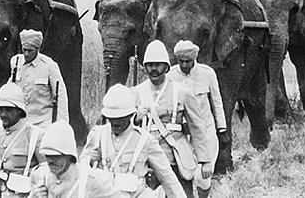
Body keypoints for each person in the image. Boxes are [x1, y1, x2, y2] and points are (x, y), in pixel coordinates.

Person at [132, 41, 213, 198]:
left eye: (158, 65)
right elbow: (122, 128)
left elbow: (197, 128)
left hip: (175, 157)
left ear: (166, 67)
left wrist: (205, 161)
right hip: (146, 159)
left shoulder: (183, 92)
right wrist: (136, 118)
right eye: (150, 65)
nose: (153, 69)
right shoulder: (135, 93)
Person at [81, 84, 185, 198]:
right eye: (111, 118)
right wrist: (89, 160)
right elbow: (80, 171)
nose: (115, 122)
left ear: (131, 115)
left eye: (120, 117)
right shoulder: (98, 135)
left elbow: (166, 176)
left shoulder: (145, 140)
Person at [167, 41, 226, 198]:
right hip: (182, 135)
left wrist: (222, 128)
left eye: (188, 61)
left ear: (195, 58)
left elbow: (217, 101)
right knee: (184, 174)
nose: (185, 65)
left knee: (203, 177)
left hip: (206, 132)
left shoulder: (207, 74)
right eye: (181, 61)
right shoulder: (170, 76)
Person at [30, 120, 120, 198]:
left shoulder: (92, 180)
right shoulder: (39, 175)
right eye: (47, 155)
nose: (50, 161)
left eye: (56, 156)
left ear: (69, 156)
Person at [0, 82, 45, 198]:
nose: (3, 114)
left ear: (19, 110)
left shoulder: (35, 135)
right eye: (0, 109)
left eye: (8, 110)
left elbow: (46, 170)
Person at [10, 29, 69, 128]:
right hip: (21, 122)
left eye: (30, 51)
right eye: (24, 50)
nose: (26, 54)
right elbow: (11, 85)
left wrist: (61, 125)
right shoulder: (16, 62)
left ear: (38, 49)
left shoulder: (49, 66)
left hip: (43, 123)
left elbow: (61, 96)